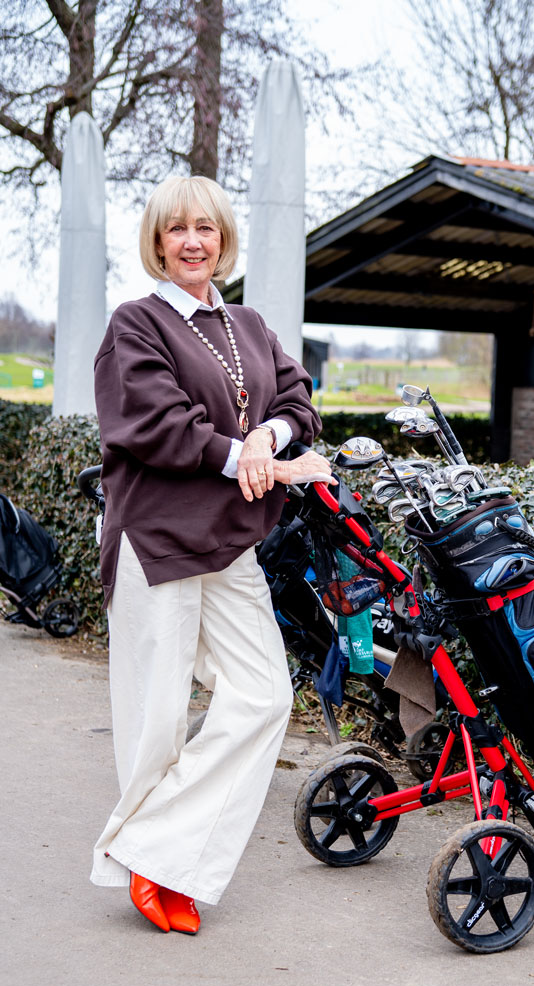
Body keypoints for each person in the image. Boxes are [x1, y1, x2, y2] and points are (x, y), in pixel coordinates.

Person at [90, 175, 334, 934]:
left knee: (263, 695)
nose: (192, 241)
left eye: (205, 227)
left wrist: (269, 438)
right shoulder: (135, 325)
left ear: (224, 239)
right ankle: (164, 867)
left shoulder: (250, 325)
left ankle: (155, 849)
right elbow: (159, 428)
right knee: (156, 716)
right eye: (176, 230)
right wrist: (247, 459)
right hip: (154, 539)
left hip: (229, 541)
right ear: (157, 243)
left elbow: (299, 404)